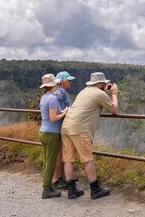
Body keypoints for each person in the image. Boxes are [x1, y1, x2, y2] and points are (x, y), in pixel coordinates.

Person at [60, 72, 117, 200]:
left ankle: (71, 190)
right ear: (101, 83)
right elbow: (114, 109)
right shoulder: (99, 93)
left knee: (68, 159)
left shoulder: (84, 91)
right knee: (87, 158)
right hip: (80, 129)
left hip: (66, 126)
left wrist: (105, 93)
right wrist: (113, 94)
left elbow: (95, 99)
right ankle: (95, 189)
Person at [38, 74, 69, 198]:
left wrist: (61, 112)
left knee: (47, 161)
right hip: (51, 133)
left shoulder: (44, 98)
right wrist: (65, 113)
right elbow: (53, 118)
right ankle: (46, 189)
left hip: (43, 131)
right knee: (51, 161)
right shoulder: (52, 98)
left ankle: (48, 185)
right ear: (53, 85)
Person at [51, 71, 76, 190]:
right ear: (63, 81)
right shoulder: (61, 93)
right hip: (60, 125)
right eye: (69, 80)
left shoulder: (57, 92)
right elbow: (62, 110)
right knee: (59, 154)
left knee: (60, 153)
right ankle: (57, 179)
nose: (70, 82)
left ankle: (59, 177)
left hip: (57, 126)